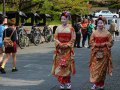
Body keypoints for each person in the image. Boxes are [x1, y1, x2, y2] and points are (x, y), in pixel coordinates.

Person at [51, 12, 76, 90]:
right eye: (62, 19)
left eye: (64, 19)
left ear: (68, 19)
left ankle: (68, 82)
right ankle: (62, 82)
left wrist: (68, 44)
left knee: (67, 66)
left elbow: (73, 38)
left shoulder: (71, 28)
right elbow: (55, 38)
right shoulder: (58, 28)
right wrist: (59, 44)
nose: (63, 20)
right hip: (60, 50)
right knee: (60, 66)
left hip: (68, 50)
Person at [89, 17, 113, 90]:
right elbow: (91, 42)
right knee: (95, 68)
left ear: (104, 23)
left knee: (102, 69)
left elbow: (111, 42)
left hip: (104, 53)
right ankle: (96, 83)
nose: (100, 24)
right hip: (96, 53)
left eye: (101, 23)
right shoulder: (94, 32)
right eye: (99, 23)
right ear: (97, 24)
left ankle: (100, 83)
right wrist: (96, 44)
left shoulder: (107, 33)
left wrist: (105, 43)